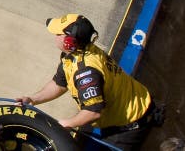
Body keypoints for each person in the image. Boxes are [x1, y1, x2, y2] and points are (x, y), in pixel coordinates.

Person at [15, 14, 158, 151]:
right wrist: (33, 99)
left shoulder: (86, 71)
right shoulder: (75, 55)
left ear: (69, 41)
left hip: (129, 124)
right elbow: (59, 83)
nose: (55, 36)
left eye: (58, 34)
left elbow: (92, 112)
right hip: (126, 108)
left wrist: (67, 124)